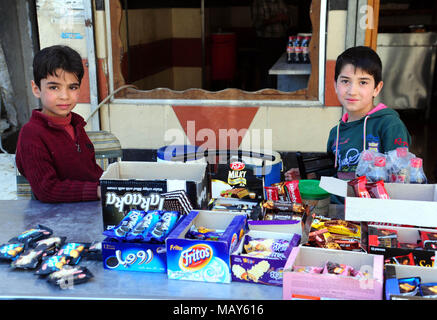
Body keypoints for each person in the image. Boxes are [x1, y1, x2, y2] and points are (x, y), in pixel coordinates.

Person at [285, 46, 411, 183]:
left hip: (372, 203)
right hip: (337, 204)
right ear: (335, 85)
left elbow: (400, 177)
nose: (352, 91)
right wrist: (311, 176)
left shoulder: (389, 125)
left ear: (377, 88)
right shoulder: (336, 133)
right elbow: (338, 173)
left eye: (363, 82)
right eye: (345, 81)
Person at [15, 45, 103, 203]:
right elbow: (47, 190)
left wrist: (112, 185)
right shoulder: (31, 134)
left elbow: (90, 171)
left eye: (72, 87)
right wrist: (98, 191)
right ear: (36, 89)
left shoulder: (76, 125)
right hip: (56, 219)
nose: (65, 96)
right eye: (54, 87)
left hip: (89, 210)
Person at [251, 0, 290, 89]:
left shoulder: (281, 2)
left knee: (281, 69)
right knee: (267, 70)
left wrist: (286, 19)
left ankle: (279, 93)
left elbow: (288, 22)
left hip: (281, 40)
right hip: (265, 41)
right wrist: (275, 19)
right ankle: (267, 95)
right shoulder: (259, 2)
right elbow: (256, 24)